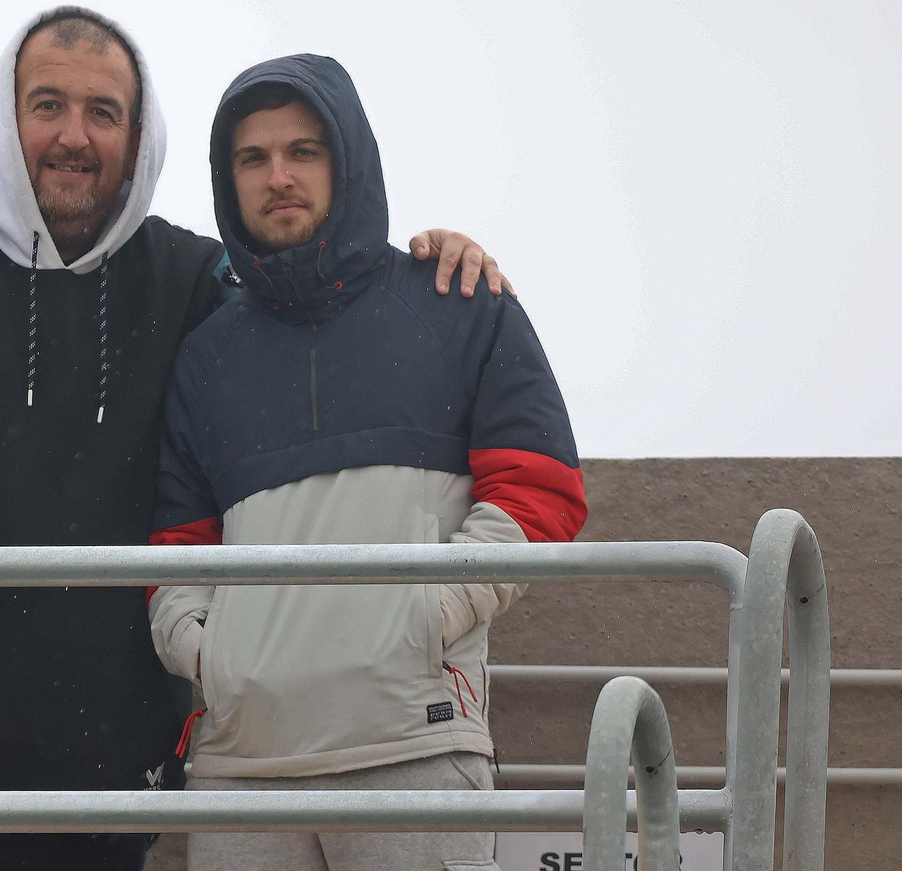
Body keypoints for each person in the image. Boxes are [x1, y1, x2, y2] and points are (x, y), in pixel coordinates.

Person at [0, 8, 508, 871]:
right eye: (47, 105)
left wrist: (415, 271)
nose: (73, 136)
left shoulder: (197, 286)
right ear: (6, 121)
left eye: (103, 113)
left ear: (139, 135)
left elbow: (315, 308)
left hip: (64, 800)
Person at [147, 54, 588, 871]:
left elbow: (540, 490)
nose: (278, 176)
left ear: (348, 158)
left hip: (413, 754)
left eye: (304, 151)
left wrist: (419, 620)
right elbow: (177, 548)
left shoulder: (459, 301)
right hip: (242, 774)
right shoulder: (206, 356)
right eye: (253, 158)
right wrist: (213, 657)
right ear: (227, 177)